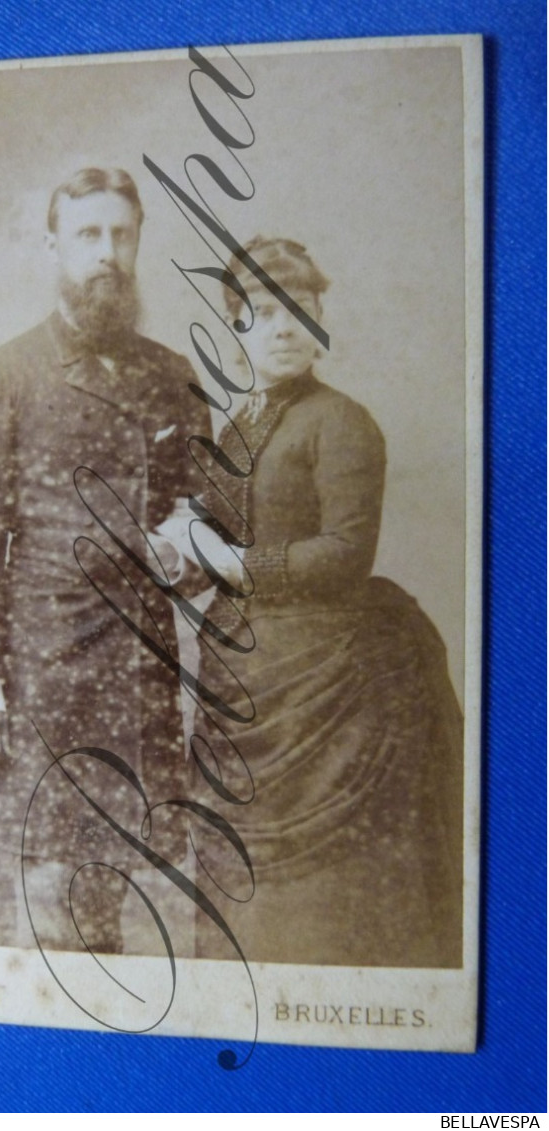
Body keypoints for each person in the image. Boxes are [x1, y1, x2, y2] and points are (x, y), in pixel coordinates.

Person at [177, 236, 463, 967]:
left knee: (330, 902)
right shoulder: (239, 427)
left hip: (331, 684)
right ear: (237, 323)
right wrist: (177, 549)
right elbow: (212, 532)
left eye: (298, 309)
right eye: (264, 310)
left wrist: (237, 562)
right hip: (245, 676)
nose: (282, 327)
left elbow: (345, 553)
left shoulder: (343, 421)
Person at [0, 168, 207, 953]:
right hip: (45, 665)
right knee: (47, 893)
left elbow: (203, 509)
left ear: (138, 241)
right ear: (54, 243)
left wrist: (182, 547)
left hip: (137, 668)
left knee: (111, 890)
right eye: (89, 234)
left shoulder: (170, 374)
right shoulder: (9, 374)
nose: (107, 253)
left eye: (121, 234)